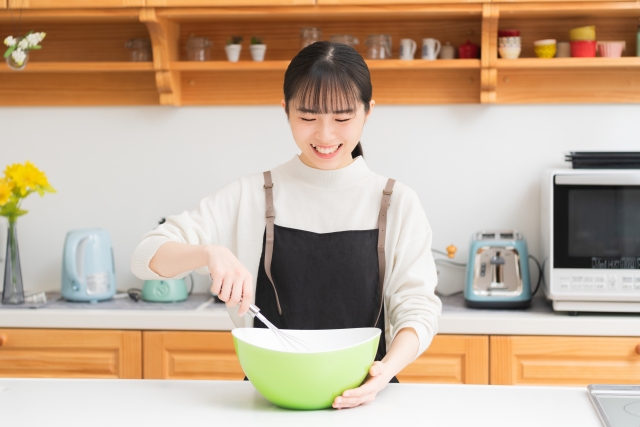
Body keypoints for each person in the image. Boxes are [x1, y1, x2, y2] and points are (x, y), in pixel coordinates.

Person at [131, 41, 441, 409]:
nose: (325, 136)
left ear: (368, 112)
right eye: (307, 118)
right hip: (266, 402)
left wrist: (385, 371)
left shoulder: (396, 201)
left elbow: (418, 308)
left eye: (342, 119)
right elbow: (145, 256)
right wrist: (208, 253)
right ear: (286, 111)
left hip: (365, 400)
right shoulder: (251, 194)